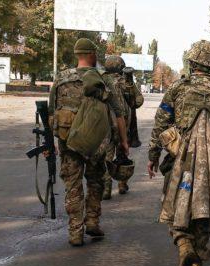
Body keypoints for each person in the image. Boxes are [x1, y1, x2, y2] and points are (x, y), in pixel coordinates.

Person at [148, 40, 210, 266]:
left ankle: (184, 245)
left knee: (174, 199)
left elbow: (161, 123)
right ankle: (198, 253)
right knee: (208, 204)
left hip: (179, 160)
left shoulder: (178, 88)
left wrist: (153, 155)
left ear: (192, 62)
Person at [48, 38, 129, 246]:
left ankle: (75, 232)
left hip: (68, 142)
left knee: (73, 186)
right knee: (95, 182)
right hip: (96, 142)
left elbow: (51, 113)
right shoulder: (103, 79)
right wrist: (124, 141)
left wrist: (52, 143)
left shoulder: (61, 78)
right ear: (92, 54)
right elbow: (119, 114)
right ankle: (92, 221)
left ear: (77, 54)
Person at [102, 55, 132, 198]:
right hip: (123, 124)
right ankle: (122, 184)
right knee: (122, 154)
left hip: (106, 124)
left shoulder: (101, 80)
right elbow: (138, 101)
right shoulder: (125, 81)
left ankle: (106, 189)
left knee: (107, 156)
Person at [122, 67, 144, 149]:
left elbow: (138, 97)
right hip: (125, 110)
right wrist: (134, 105)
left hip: (127, 109)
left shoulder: (130, 84)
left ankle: (132, 141)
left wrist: (134, 104)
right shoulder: (124, 83)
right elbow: (139, 97)